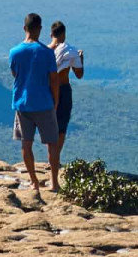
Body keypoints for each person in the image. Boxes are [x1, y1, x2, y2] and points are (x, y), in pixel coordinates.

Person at [8, 12, 61, 193]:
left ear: (25, 28)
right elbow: (54, 79)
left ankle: (34, 182)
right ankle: (54, 183)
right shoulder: (47, 53)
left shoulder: (14, 52)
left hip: (23, 103)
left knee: (26, 143)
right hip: (44, 103)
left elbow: (15, 74)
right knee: (52, 143)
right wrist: (55, 101)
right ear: (40, 29)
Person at [49, 20, 85, 149]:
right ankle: (55, 158)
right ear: (64, 35)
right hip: (63, 89)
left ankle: (51, 156)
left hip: (47, 90)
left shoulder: (45, 51)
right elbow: (79, 74)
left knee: (49, 124)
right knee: (61, 126)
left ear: (51, 35)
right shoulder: (70, 51)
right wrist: (81, 58)